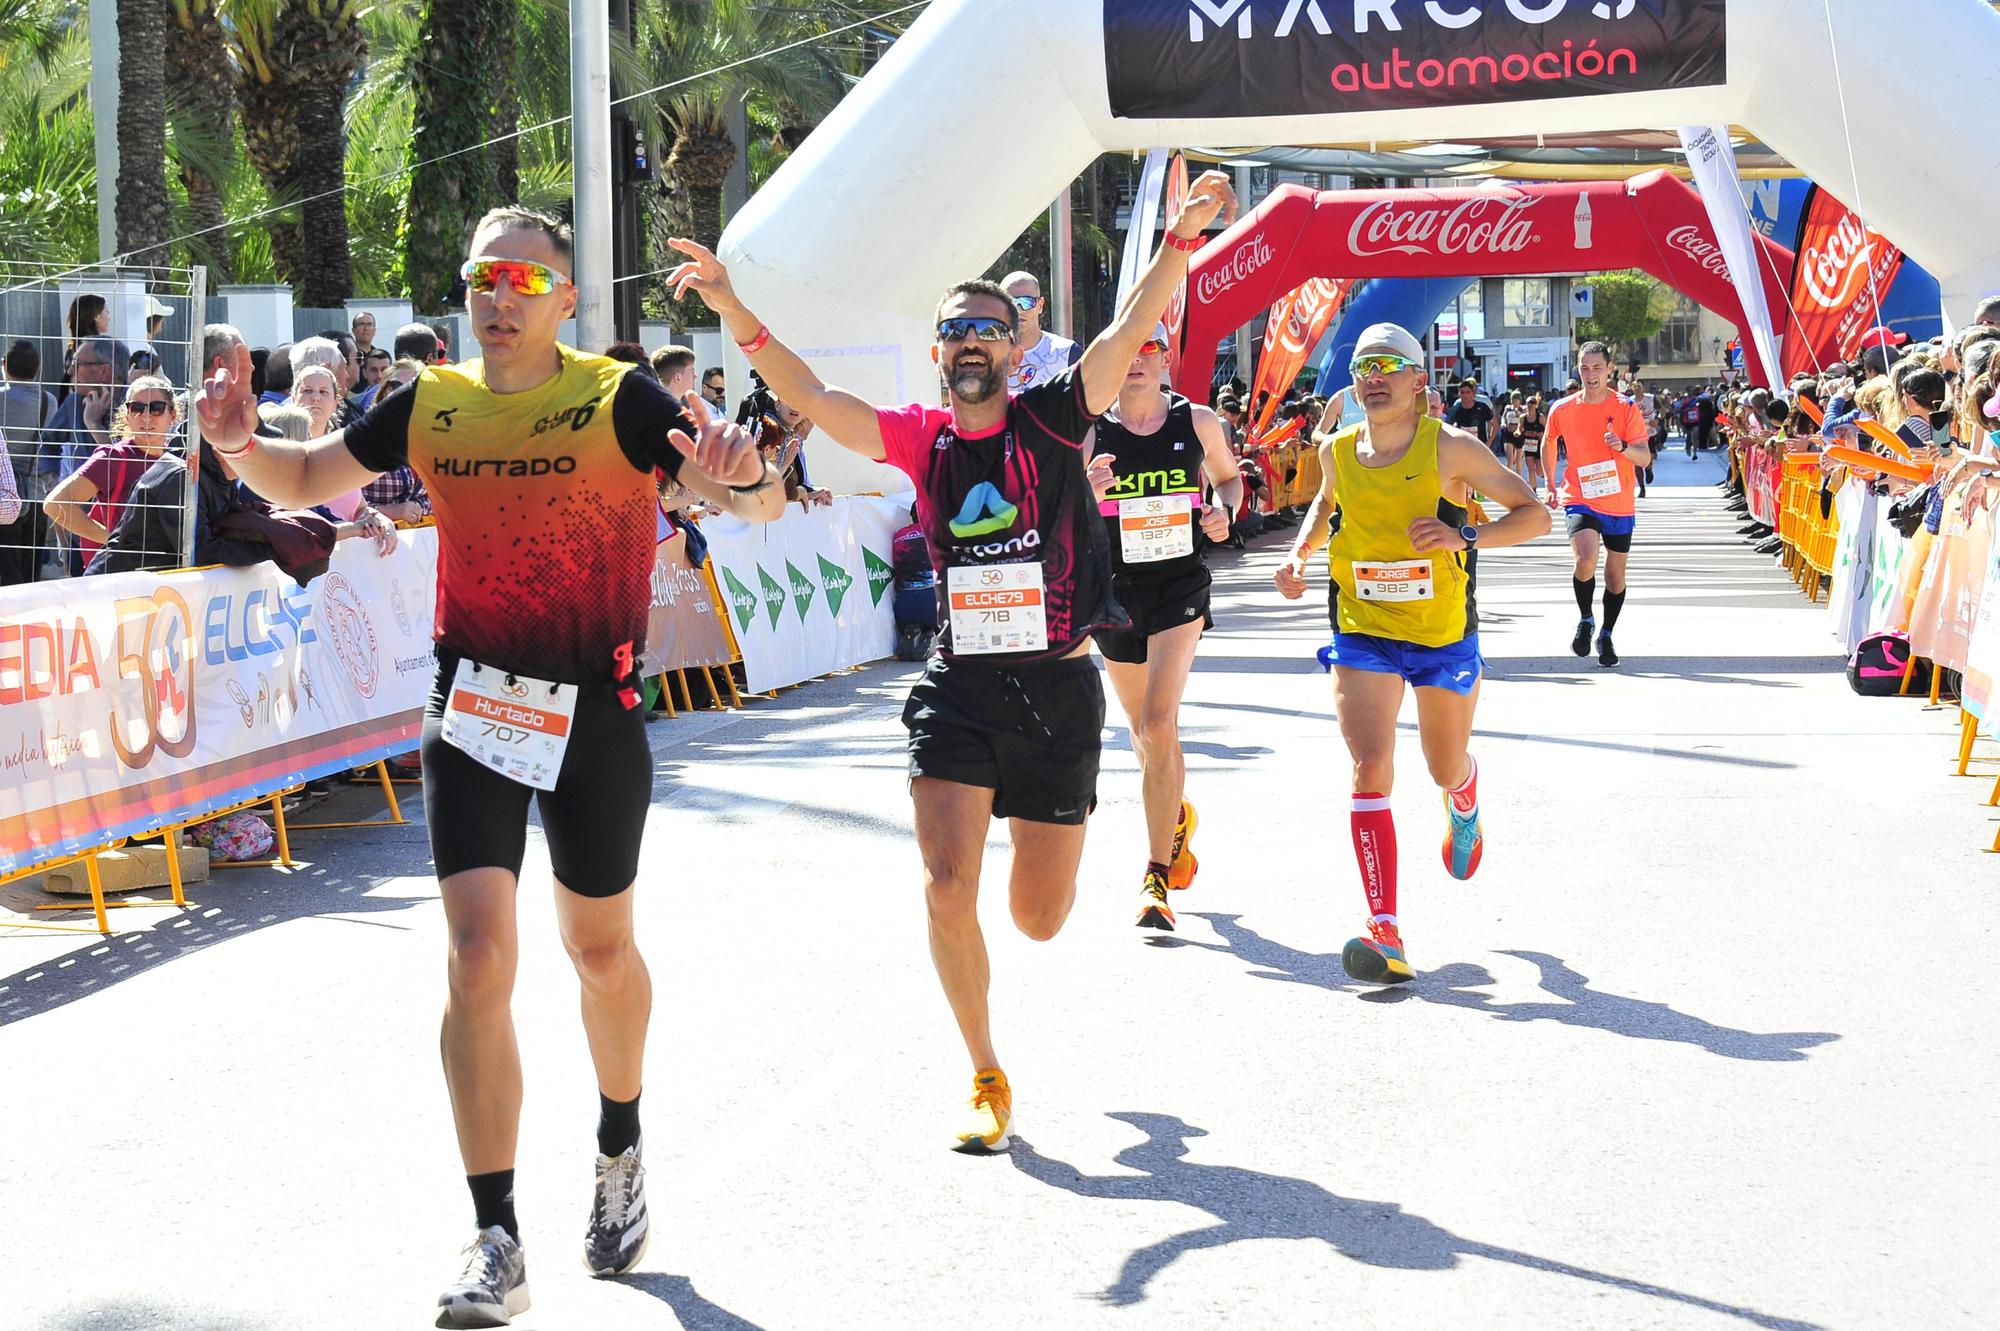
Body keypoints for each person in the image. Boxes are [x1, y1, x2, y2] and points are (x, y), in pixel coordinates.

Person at [195, 205, 783, 1328]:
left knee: (598, 952)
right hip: (469, 707)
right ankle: (495, 1235)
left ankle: (619, 1138)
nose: (497, 295)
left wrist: (743, 475)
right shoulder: (432, 401)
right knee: (475, 959)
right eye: (480, 277)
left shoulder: (618, 398)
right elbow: (308, 470)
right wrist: (230, 440)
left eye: (522, 277)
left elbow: (729, 495)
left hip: (594, 716)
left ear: (566, 298)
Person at [663, 171, 1240, 1154]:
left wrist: (1177, 245)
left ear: (1013, 349)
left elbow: (1121, 330)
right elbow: (807, 395)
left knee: (1040, 918)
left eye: (989, 325)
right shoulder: (916, 438)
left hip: (1058, 684)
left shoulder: (1058, 415)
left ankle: (1141, 822)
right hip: (959, 687)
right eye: (955, 328)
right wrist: (730, 304)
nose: (972, 338)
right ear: (936, 354)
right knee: (943, 882)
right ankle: (983, 1068)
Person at [1274, 323, 1549, 984]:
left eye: (1390, 365)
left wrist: (1465, 536)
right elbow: (1326, 501)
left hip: (1439, 633)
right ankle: (1385, 927)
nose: (1374, 376)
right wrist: (1300, 552)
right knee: (1371, 766)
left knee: (1441, 763)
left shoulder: (1449, 448)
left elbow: (1535, 514)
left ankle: (1464, 793)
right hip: (1362, 625)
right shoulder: (1339, 449)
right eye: (1365, 365)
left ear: (1418, 380)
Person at [1089, 321, 1244, 930]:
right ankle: (1175, 815)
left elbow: (1230, 480)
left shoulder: (1197, 421)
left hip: (1179, 586)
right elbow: (1053, 506)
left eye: (1148, 349)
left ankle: (1155, 878)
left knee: (1159, 722)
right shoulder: (1090, 428)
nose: (1136, 361)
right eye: (1126, 350)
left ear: (1164, 360)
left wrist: (1222, 513)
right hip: (1114, 592)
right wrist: (1083, 485)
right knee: (1145, 734)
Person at [1543, 341, 1653, 668]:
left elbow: (1644, 457)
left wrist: (1621, 447)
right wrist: (1550, 483)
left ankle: (1606, 633)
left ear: (1609, 370)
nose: (1590, 375)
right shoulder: (1562, 408)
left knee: (1615, 576)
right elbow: (1549, 441)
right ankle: (1586, 618)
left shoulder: (1625, 408)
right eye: (1585, 368)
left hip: (1618, 502)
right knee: (1586, 558)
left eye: (1597, 368)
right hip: (1579, 497)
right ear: (1578, 369)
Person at [45, 374, 179, 566]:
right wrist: (113, 541)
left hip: (167, 570)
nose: (146, 416)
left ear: (172, 416)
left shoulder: (180, 460)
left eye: (156, 408)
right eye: (137, 408)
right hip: (121, 574)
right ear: (127, 415)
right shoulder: (114, 457)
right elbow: (55, 504)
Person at [1, 340, 55, 584]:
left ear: (4, 365)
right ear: (38, 368)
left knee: (8, 573)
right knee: (31, 572)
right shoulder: (49, 400)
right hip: (36, 495)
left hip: (4, 498)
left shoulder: (2, 399)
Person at [1000, 271, 1080, 392]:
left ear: (1040, 305)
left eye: (1026, 302)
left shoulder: (1067, 353)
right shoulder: (987, 356)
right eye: (1010, 303)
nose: (1019, 310)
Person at [1443, 378, 1495, 453]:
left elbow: (1495, 425)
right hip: (1462, 449)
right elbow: (1448, 427)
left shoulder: (1482, 407)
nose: (1465, 395)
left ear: (1473, 393)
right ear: (1459, 394)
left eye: (1468, 392)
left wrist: (1489, 443)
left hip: (1480, 448)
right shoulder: (1455, 409)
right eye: (1462, 392)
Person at [1518, 392, 1548, 494]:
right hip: (1528, 445)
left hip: (1539, 445)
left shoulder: (1540, 417)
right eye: (1528, 403)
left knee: (1539, 471)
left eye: (1532, 403)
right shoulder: (1523, 417)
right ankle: (1533, 491)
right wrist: (1517, 433)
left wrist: (1541, 434)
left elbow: (1547, 431)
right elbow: (1519, 429)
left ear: (1536, 405)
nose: (1530, 405)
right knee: (1530, 469)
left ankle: (1543, 474)